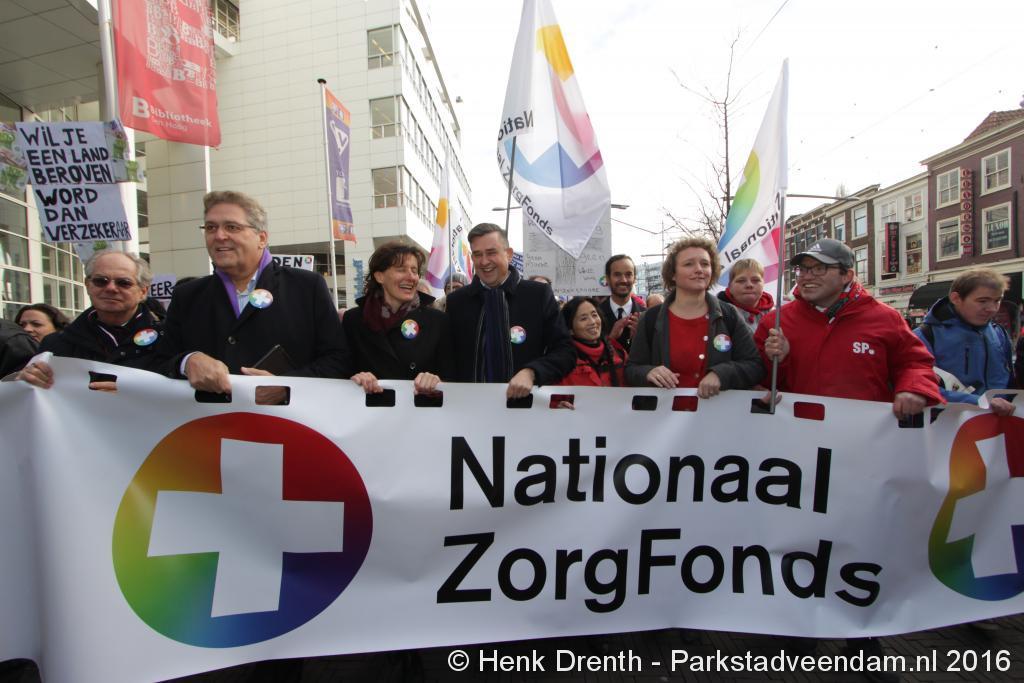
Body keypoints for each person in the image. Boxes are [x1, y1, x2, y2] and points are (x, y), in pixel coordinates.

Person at [157, 190, 351, 396]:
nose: (219, 236)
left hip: (283, 415)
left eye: (232, 227)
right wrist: (187, 362)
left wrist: (287, 388)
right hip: (210, 416)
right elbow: (159, 361)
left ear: (262, 238)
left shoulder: (306, 286)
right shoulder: (187, 296)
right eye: (211, 227)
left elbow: (338, 360)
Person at [757, 238, 942, 418]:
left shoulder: (886, 318)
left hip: (866, 432)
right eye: (802, 269)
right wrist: (776, 361)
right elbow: (757, 379)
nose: (807, 276)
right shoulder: (776, 322)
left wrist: (913, 388)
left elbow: (914, 363)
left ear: (847, 275)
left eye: (819, 268)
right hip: (798, 431)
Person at [446, 223, 574, 398]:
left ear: (509, 254)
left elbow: (565, 351)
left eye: (491, 252)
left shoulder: (537, 295)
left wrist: (532, 372)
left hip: (525, 407)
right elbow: (447, 358)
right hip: (470, 405)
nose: (484, 261)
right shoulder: (457, 301)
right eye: (477, 254)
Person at [626, 237, 763, 397]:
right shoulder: (650, 318)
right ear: (673, 274)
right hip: (665, 412)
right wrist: (648, 372)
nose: (699, 269)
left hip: (717, 410)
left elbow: (755, 366)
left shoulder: (729, 314)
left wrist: (722, 374)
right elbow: (632, 369)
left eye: (705, 264)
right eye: (689, 264)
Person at [18, 251, 164, 389]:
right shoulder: (56, 344)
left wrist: (134, 390)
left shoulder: (168, 338)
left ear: (143, 291)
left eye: (123, 282)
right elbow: (34, 396)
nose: (111, 288)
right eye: (101, 281)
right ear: (88, 285)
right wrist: (27, 381)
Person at [344, 241, 453, 394]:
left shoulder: (438, 322)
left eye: (414, 271)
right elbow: (340, 371)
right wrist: (356, 379)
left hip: (418, 408)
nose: (411, 277)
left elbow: (451, 378)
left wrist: (436, 384)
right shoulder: (353, 320)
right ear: (379, 276)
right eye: (401, 270)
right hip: (371, 408)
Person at [914, 268, 1015, 416]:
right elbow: (920, 387)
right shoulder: (924, 336)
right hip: (948, 424)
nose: (992, 309)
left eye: (997, 301)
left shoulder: (999, 333)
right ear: (956, 298)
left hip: (998, 423)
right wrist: (979, 402)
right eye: (982, 301)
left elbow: (1008, 381)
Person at [557, 297, 627, 388]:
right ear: (570, 329)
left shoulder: (617, 351)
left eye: (594, 315)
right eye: (583, 319)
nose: (593, 322)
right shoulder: (562, 361)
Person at [598, 254, 646, 351]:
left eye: (628, 274)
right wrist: (611, 338)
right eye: (617, 275)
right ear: (607, 278)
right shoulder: (596, 315)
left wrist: (641, 337)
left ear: (634, 279)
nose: (623, 280)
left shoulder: (646, 316)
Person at [717, 258, 774, 332]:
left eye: (755, 280)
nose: (749, 285)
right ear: (730, 286)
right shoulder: (716, 313)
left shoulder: (776, 316)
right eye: (741, 281)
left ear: (763, 284)